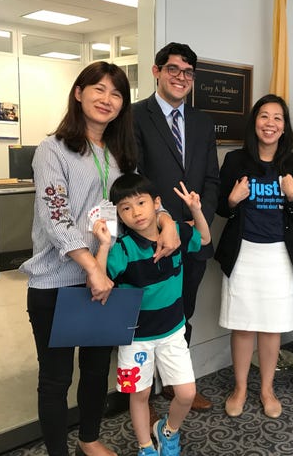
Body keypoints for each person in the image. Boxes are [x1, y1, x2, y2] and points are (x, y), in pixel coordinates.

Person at [21, 62, 178, 456]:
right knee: (56, 379)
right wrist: (91, 268)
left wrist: (167, 219)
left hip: (109, 279)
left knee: (95, 370)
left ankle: (88, 440)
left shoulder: (123, 154)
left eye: (117, 93)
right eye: (99, 89)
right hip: (58, 281)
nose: (107, 99)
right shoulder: (52, 149)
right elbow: (55, 217)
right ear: (78, 93)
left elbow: (140, 200)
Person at [93, 173, 211, 456]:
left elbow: (204, 238)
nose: (136, 212)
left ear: (156, 203)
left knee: (186, 393)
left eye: (141, 203)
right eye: (126, 208)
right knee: (140, 394)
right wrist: (104, 245)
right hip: (136, 338)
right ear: (119, 215)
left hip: (173, 331)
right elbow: (96, 283)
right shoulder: (123, 249)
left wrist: (196, 210)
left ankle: (167, 431)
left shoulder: (176, 234)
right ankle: (145, 446)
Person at [133, 42, 220, 412]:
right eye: (173, 69)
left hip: (193, 237)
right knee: (146, 316)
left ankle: (176, 383)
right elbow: (133, 179)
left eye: (187, 72)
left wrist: (199, 222)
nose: (180, 78)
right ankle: (143, 394)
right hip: (151, 240)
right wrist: (159, 223)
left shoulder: (201, 121)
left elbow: (212, 179)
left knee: (184, 312)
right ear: (157, 71)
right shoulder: (136, 116)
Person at [214, 94, 293, 419]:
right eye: (264, 117)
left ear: (284, 127)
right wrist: (232, 199)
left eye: (277, 118)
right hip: (244, 255)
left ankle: (267, 389)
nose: (270, 124)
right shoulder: (235, 160)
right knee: (242, 325)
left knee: (271, 328)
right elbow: (220, 210)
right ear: (254, 122)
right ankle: (240, 387)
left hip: (280, 257)